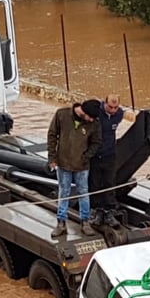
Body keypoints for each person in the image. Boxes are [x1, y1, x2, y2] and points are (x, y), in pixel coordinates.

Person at [47, 99, 102, 237]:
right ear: (84, 112)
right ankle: (61, 223)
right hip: (63, 163)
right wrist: (52, 158)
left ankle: (85, 222)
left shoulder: (94, 124)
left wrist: (86, 156)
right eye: (90, 117)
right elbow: (52, 135)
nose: (91, 120)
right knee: (63, 192)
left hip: (82, 166)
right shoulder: (62, 115)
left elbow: (97, 142)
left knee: (83, 192)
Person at [88, 94, 126, 224]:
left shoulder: (119, 115)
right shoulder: (96, 113)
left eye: (115, 107)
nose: (113, 110)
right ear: (104, 103)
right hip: (95, 155)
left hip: (109, 155)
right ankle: (97, 210)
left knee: (109, 183)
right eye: (110, 107)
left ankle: (109, 211)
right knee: (95, 183)